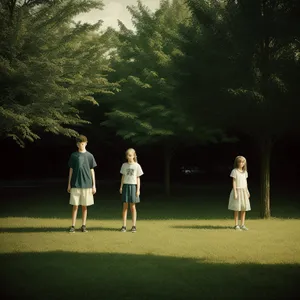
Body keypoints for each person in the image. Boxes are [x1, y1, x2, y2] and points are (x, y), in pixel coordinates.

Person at [67, 135, 97, 233]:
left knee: (85, 206)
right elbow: (71, 170)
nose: (82, 145)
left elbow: (92, 170)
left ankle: (83, 226)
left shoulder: (90, 156)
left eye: (83, 143)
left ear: (86, 143)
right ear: (77, 144)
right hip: (76, 184)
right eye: (80, 143)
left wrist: (94, 185)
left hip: (87, 184)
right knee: (75, 206)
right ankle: (73, 225)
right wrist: (69, 184)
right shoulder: (74, 155)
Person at [119, 148, 144, 233]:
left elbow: (138, 178)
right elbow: (123, 177)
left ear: (134, 156)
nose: (129, 157)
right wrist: (121, 187)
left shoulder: (137, 166)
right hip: (126, 186)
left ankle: (133, 226)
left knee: (132, 207)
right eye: (127, 155)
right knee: (125, 207)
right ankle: (124, 226)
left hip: (133, 187)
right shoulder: (124, 165)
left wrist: (138, 190)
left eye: (130, 155)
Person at [228, 155, 251, 230]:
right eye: (240, 162)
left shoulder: (245, 172)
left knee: (243, 208)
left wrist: (247, 191)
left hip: (244, 191)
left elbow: (245, 182)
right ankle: (236, 224)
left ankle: (242, 224)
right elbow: (234, 182)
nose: (241, 163)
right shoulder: (234, 171)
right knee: (237, 208)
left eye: (243, 162)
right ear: (237, 163)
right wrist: (235, 192)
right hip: (237, 191)